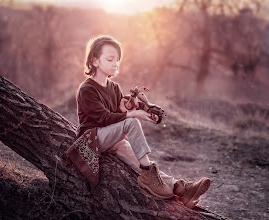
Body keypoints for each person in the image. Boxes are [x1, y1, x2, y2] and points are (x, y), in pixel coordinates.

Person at [74, 35, 210, 208]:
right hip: (91, 140)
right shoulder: (87, 89)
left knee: (140, 158)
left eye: (117, 60)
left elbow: (117, 113)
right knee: (131, 123)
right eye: (110, 59)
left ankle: (180, 189)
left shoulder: (114, 87)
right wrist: (133, 114)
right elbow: (104, 118)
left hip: (110, 139)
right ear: (94, 61)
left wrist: (132, 107)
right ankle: (147, 175)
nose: (115, 63)